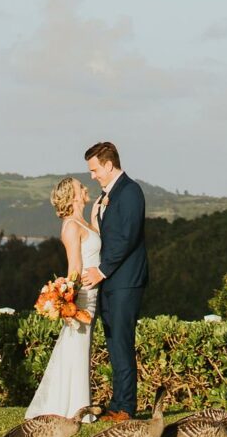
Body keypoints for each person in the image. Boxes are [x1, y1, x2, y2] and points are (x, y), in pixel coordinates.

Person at [80, 139, 147, 418]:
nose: (93, 176)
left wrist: (101, 270)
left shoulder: (130, 191)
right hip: (110, 282)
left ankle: (126, 408)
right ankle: (118, 403)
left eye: (95, 170)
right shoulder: (106, 195)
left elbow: (127, 238)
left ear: (108, 165)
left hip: (125, 281)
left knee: (122, 343)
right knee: (114, 343)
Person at [21, 177, 97, 421]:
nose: (85, 188)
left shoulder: (84, 221)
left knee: (80, 347)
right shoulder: (71, 226)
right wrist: (69, 298)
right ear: (73, 196)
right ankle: (75, 408)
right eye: (80, 187)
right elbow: (74, 266)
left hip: (95, 291)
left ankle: (77, 404)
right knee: (76, 346)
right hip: (84, 294)